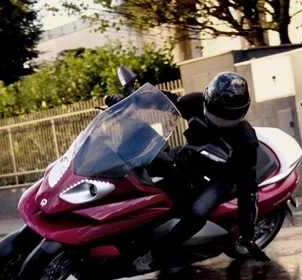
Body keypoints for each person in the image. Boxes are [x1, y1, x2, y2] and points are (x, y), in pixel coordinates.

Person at [106, 72, 269, 268]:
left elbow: (248, 189)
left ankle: (158, 254)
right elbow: (165, 101)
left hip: (220, 178)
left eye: (228, 115)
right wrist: (129, 101)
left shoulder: (246, 141)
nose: (221, 119)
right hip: (188, 157)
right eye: (217, 111)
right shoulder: (196, 102)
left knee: (198, 213)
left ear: (241, 111)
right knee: (139, 165)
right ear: (208, 100)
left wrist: (248, 233)